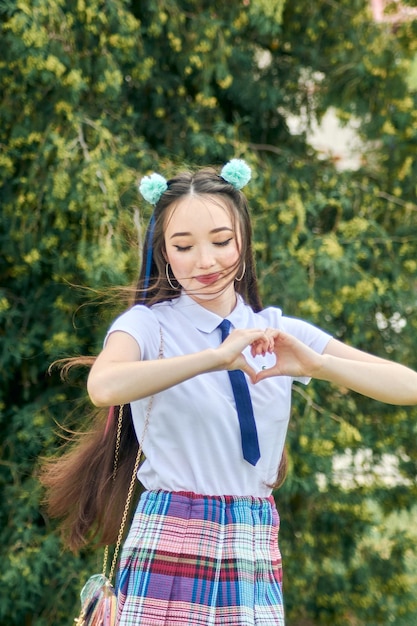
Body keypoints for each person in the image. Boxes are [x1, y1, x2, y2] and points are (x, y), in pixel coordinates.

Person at [42, 159, 417, 626]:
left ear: (243, 241)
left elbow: (409, 386)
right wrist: (216, 358)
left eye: (222, 242)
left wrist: (317, 365)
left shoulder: (278, 331)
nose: (206, 261)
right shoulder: (148, 326)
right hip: (172, 532)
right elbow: (103, 385)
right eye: (184, 246)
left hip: (253, 535)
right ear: (163, 253)